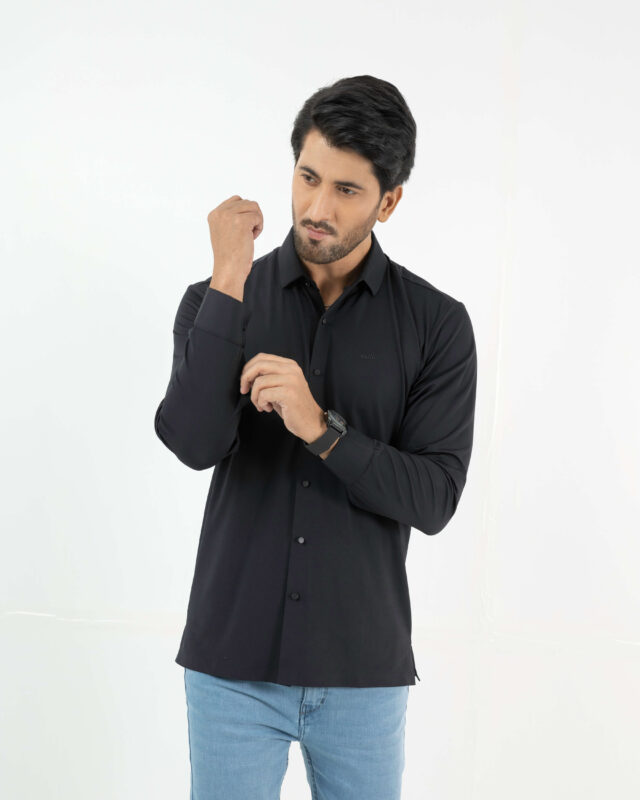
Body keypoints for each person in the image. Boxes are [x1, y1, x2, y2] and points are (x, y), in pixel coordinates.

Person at [154, 74, 477, 800]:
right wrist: (229, 277)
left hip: (362, 672)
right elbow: (193, 443)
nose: (317, 209)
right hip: (230, 668)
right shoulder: (218, 300)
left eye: (346, 190)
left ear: (389, 202)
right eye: (307, 177)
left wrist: (321, 429)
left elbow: (434, 498)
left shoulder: (437, 325)